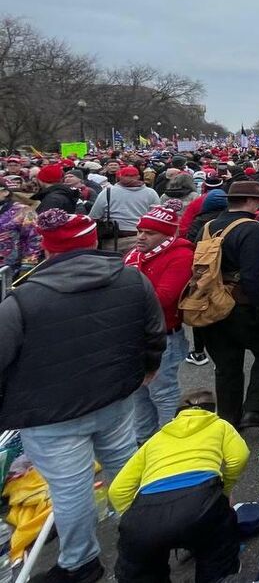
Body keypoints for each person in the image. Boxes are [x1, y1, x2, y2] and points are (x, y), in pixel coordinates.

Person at [0, 210, 165, 583]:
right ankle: (145, 544)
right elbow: (153, 331)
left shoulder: (22, 300)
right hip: (116, 396)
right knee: (126, 470)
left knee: (71, 491)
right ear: (93, 241)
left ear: (46, 249)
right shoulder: (131, 278)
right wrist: (146, 371)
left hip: (51, 415)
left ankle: (80, 563)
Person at [109, 389, 248, 583]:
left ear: (175, 416)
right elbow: (239, 457)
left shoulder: (155, 440)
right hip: (200, 502)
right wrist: (224, 490)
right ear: (212, 411)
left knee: (142, 571)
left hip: (143, 515)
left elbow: (117, 489)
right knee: (217, 555)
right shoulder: (219, 425)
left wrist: (136, 516)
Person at [200, 180, 259, 428]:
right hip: (241, 303)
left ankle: (228, 420)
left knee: (226, 367)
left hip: (212, 302)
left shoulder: (209, 226)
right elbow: (252, 274)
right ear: (250, 201)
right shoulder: (252, 228)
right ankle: (254, 407)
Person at [125, 205, 195, 442]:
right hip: (133, 334)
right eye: (140, 231)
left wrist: (119, 297)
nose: (141, 237)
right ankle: (144, 440)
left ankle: (169, 441)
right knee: (138, 392)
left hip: (161, 336)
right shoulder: (134, 254)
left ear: (167, 235)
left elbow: (163, 297)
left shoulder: (181, 255)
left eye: (150, 233)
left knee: (162, 393)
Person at [90, 166, 160, 254]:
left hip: (114, 240)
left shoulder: (107, 192)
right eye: (127, 176)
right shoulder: (151, 193)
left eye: (131, 176)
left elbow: (94, 216)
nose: (129, 178)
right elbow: (157, 216)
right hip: (139, 238)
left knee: (112, 266)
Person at [0, 174, 40, 272]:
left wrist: (28, 265)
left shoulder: (24, 211)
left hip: (10, 268)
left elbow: (34, 238)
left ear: (5, 192)